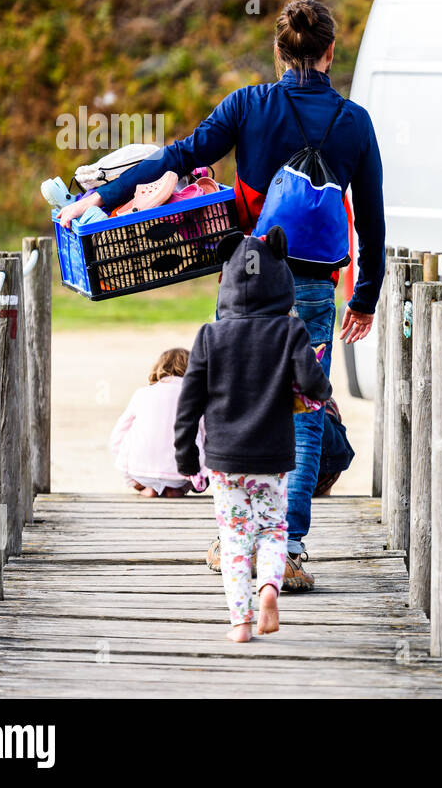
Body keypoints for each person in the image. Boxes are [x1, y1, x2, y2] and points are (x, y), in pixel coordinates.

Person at [58, 0, 384, 591]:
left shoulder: (249, 105)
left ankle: (232, 535)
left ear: (280, 52)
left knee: (232, 401)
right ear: (331, 52)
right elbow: (373, 217)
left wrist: (102, 199)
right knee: (306, 415)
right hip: (312, 286)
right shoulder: (355, 122)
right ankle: (288, 547)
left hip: (244, 284)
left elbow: (176, 159)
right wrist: (366, 296)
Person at [174, 228, 332, 642]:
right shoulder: (290, 332)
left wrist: (186, 457)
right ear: (281, 279)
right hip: (274, 459)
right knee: (273, 530)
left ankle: (241, 623)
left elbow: (188, 404)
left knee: (234, 539)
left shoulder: (210, 336)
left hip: (225, 462)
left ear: (226, 281)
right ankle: (268, 590)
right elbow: (316, 388)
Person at [109, 347, 207, 497]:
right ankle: (176, 489)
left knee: (133, 438)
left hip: (140, 471)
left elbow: (118, 435)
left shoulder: (142, 393)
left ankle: (148, 488)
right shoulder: (196, 397)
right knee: (197, 445)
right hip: (182, 472)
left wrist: (127, 471)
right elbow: (207, 434)